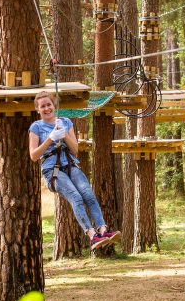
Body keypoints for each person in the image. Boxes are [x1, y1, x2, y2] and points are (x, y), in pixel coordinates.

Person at [28, 91, 120, 250]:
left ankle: (103, 230)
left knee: (88, 194)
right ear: (38, 109)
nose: (47, 108)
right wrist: (51, 137)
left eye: (49, 104)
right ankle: (92, 235)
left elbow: (75, 149)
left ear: (54, 105)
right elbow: (34, 155)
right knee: (76, 197)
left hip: (70, 164)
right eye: (43, 106)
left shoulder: (65, 122)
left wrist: (63, 134)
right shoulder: (36, 127)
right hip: (53, 171)